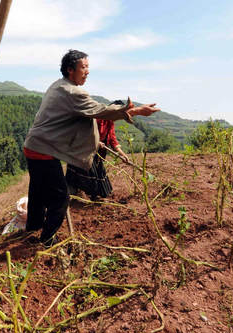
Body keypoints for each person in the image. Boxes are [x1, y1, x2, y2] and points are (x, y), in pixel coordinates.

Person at [23, 50, 160, 246]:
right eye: (84, 67)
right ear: (71, 70)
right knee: (61, 198)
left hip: (34, 145)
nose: (88, 72)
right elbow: (100, 111)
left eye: (88, 67)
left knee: (37, 191)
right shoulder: (73, 91)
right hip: (43, 151)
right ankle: (47, 240)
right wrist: (136, 111)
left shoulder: (58, 85)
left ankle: (32, 228)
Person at [66, 100, 130, 200]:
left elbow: (112, 139)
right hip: (85, 150)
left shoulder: (110, 122)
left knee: (97, 172)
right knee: (84, 172)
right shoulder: (97, 118)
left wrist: (122, 154)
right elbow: (86, 132)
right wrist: (96, 142)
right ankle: (76, 194)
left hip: (98, 153)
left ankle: (94, 195)